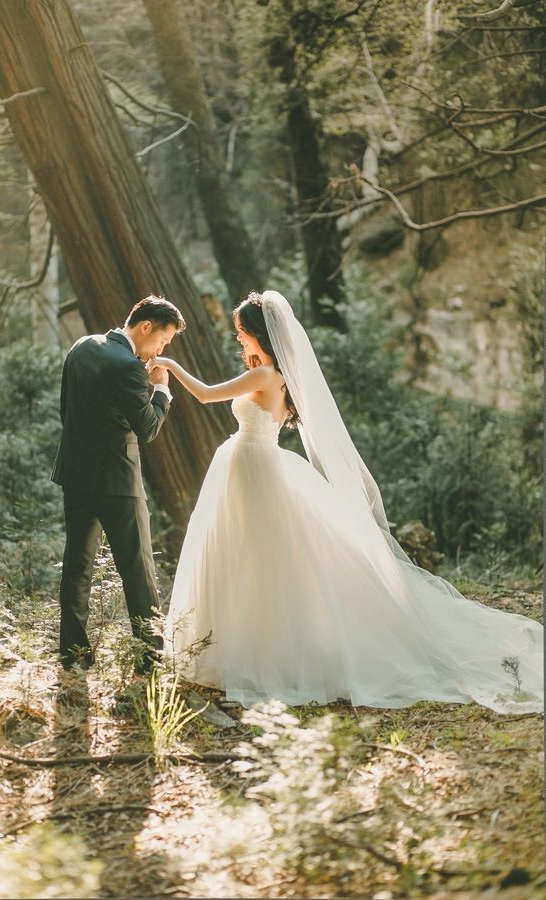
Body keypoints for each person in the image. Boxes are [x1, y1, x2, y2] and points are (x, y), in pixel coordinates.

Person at [151, 290, 543, 713]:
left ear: (260, 333)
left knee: (260, 556)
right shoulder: (278, 374)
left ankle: (261, 652)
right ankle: (253, 643)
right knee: (258, 556)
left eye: (243, 333)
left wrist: (169, 366)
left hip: (253, 467)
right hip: (254, 465)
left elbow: (208, 395)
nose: (240, 340)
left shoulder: (266, 376)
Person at [52, 295, 185, 672]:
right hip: (117, 480)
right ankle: (150, 658)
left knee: (77, 566)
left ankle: (74, 655)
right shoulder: (129, 366)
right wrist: (161, 390)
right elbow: (148, 428)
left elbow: (67, 410)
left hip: (75, 474)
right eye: (162, 341)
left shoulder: (81, 347)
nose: (161, 350)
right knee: (137, 569)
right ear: (145, 327)